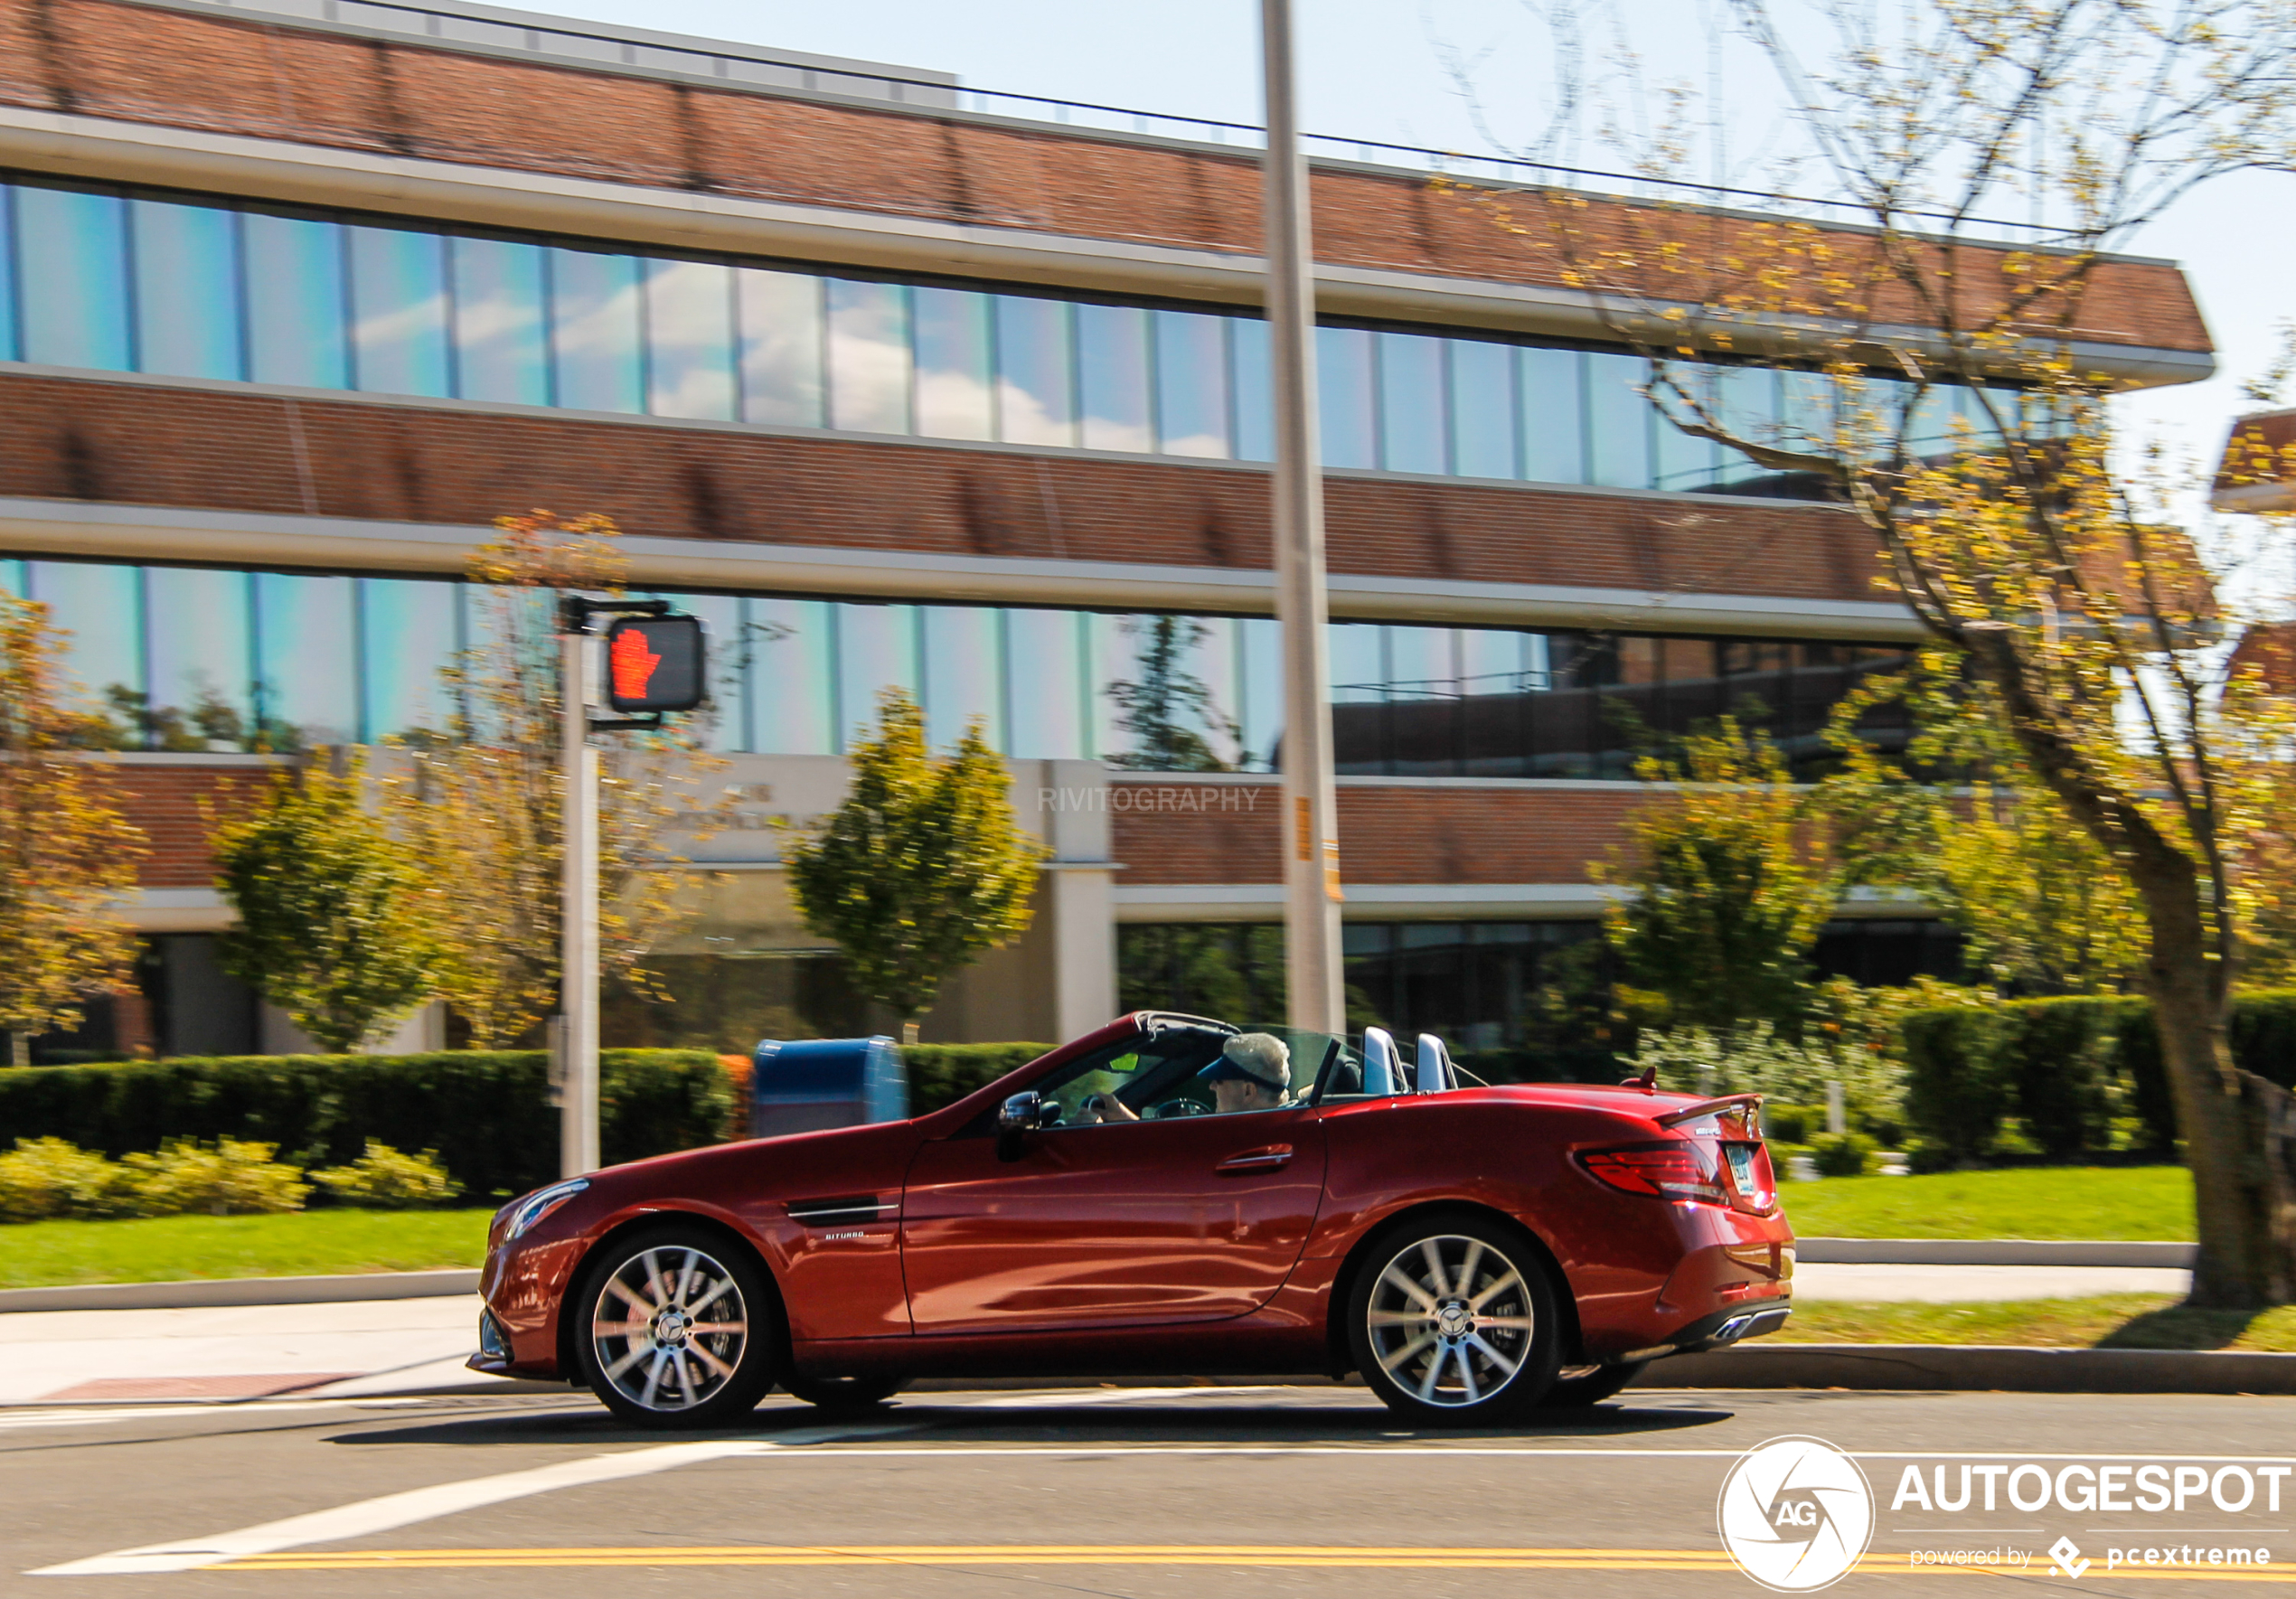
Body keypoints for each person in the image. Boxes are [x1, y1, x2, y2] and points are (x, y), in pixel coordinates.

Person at [1085, 1032, 1292, 1121]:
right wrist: (1120, 1116)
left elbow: (1171, 1154)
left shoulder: (1244, 1136)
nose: (1212, 1087)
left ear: (1248, 1091)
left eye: (1219, 1081)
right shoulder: (1273, 1127)